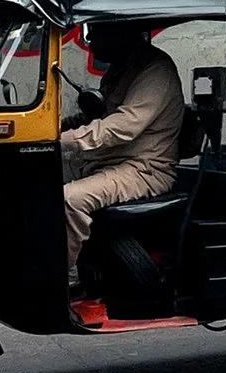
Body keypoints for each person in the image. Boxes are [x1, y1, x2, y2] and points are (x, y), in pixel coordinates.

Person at [61, 21, 184, 290]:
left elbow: (124, 124)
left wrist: (68, 141)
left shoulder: (155, 71)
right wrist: (56, 127)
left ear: (120, 32)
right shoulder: (122, 69)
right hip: (108, 162)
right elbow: (100, 115)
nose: (90, 40)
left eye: (97, 32)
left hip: (144, 169)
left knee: (69, 200)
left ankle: (65, 278)